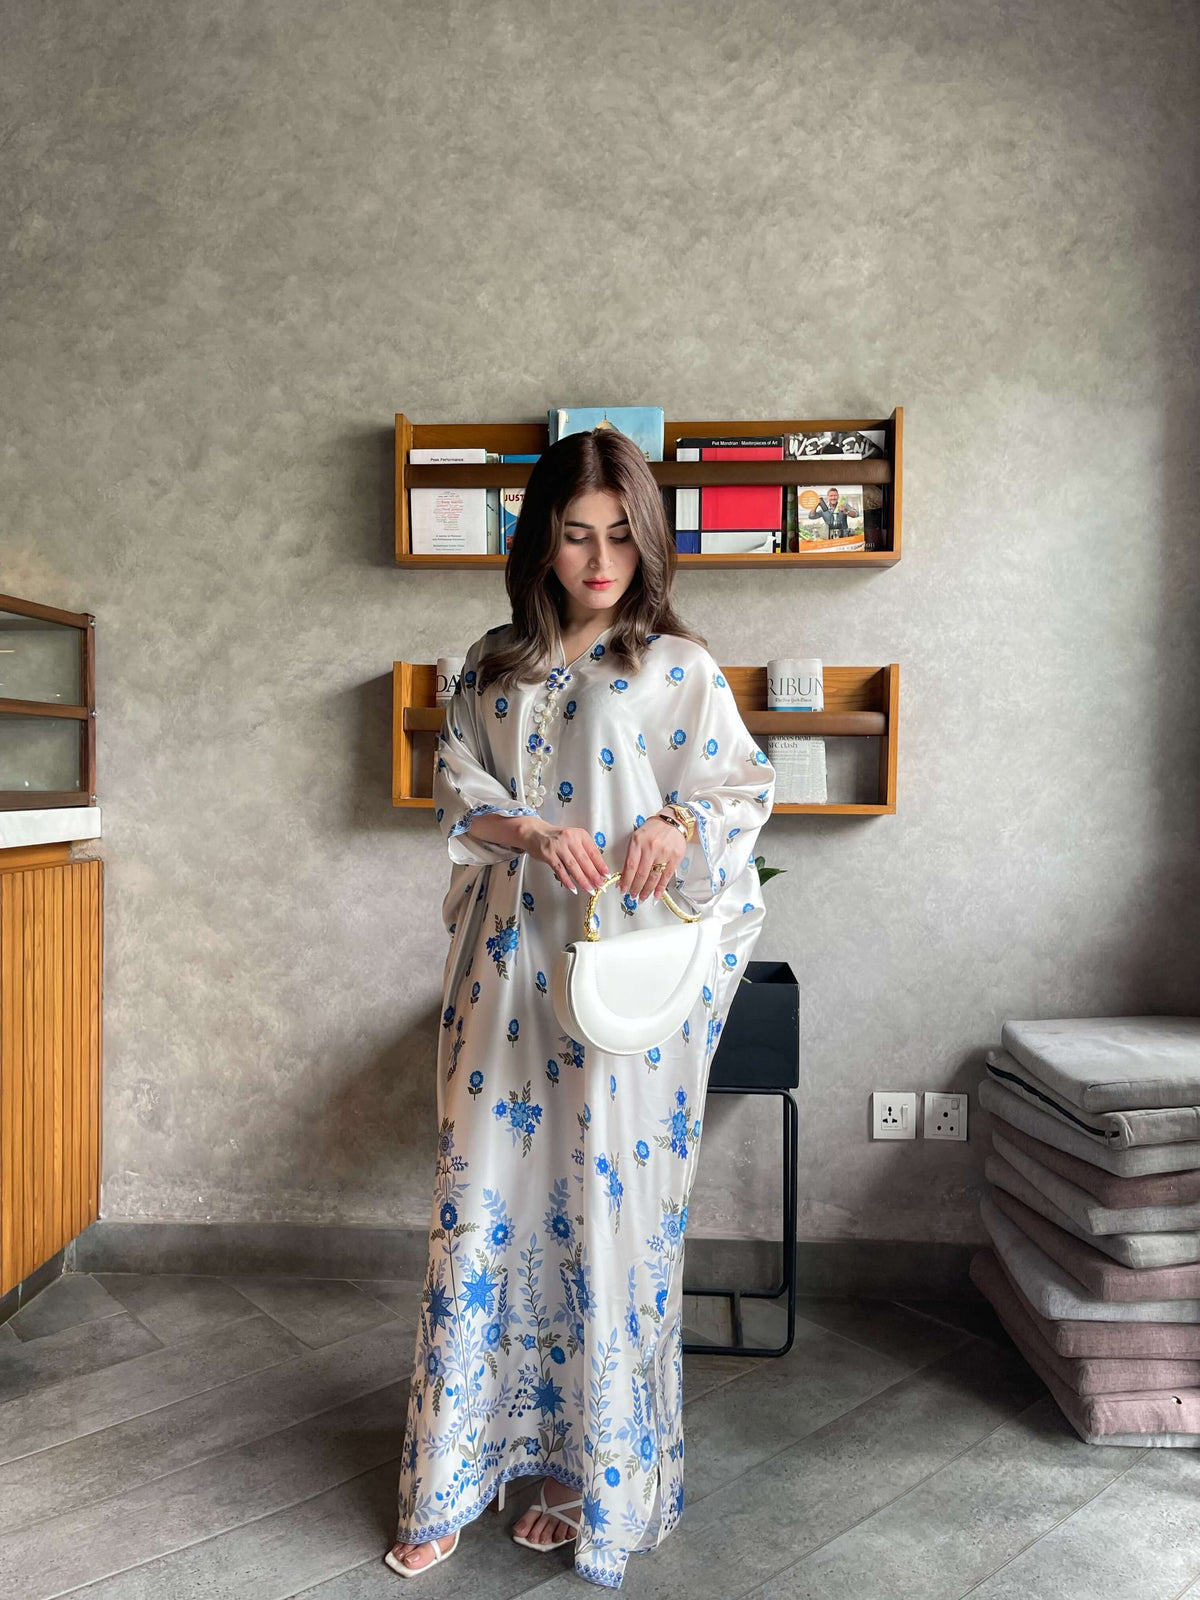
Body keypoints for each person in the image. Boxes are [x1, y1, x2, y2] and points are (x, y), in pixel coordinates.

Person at [386, 427, 776, 1588]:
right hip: (505, 976)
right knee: (482, 1204)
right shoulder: (492, 664)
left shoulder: (677, 668)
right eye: (574, 534)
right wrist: (527, 828)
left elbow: (738, 793)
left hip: (613, 992)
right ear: (541, 541)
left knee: (599, 1214)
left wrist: (674, 824)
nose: (600, 560)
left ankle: (579, 1475)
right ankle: (451, 1472)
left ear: (645, 539)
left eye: (619, 536)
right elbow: (459, 788)